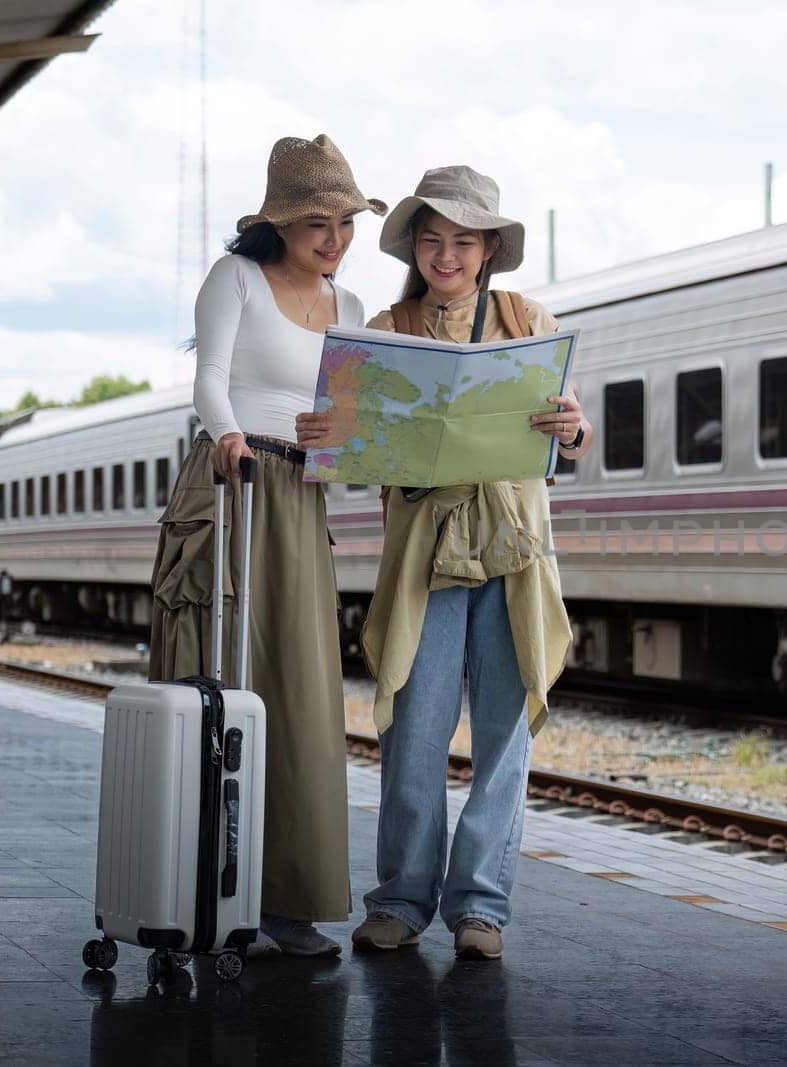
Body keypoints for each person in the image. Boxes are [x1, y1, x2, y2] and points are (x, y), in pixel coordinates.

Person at [296, 165, 591, 960]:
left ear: (490, 246)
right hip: (423, 549)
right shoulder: (385, 329)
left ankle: (481, 908)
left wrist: (573, 425)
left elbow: (565, 434)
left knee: (503, 735)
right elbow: (357, 456)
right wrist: (329, 436)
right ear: (416, 248)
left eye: (463, 240)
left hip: (514, 546)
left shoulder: (528, 316)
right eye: (432, 240)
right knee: (413, 729)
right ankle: (399, 900)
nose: (446, 255)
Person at [148, 134, 385, 957]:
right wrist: (230, 435)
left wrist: (342, 437)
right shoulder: (236, 280)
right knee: (218, 674)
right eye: (318, 222)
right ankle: (195, 890)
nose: (334, 239)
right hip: (233, 483)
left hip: (302, 496)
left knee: (301, 690)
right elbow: (209, 377)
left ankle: (287, 899)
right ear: (280, 223)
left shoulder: (350, 308)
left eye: (345, 223)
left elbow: (345, 416)